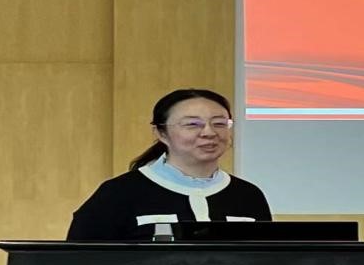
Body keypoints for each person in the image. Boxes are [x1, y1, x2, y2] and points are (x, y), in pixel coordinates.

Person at [67, 88, 272, 240]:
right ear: (161, 133)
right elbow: (81, 263)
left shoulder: (248, 195)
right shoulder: (118, 193)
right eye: (192, 124)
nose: (209, 132)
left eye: (219, 123)